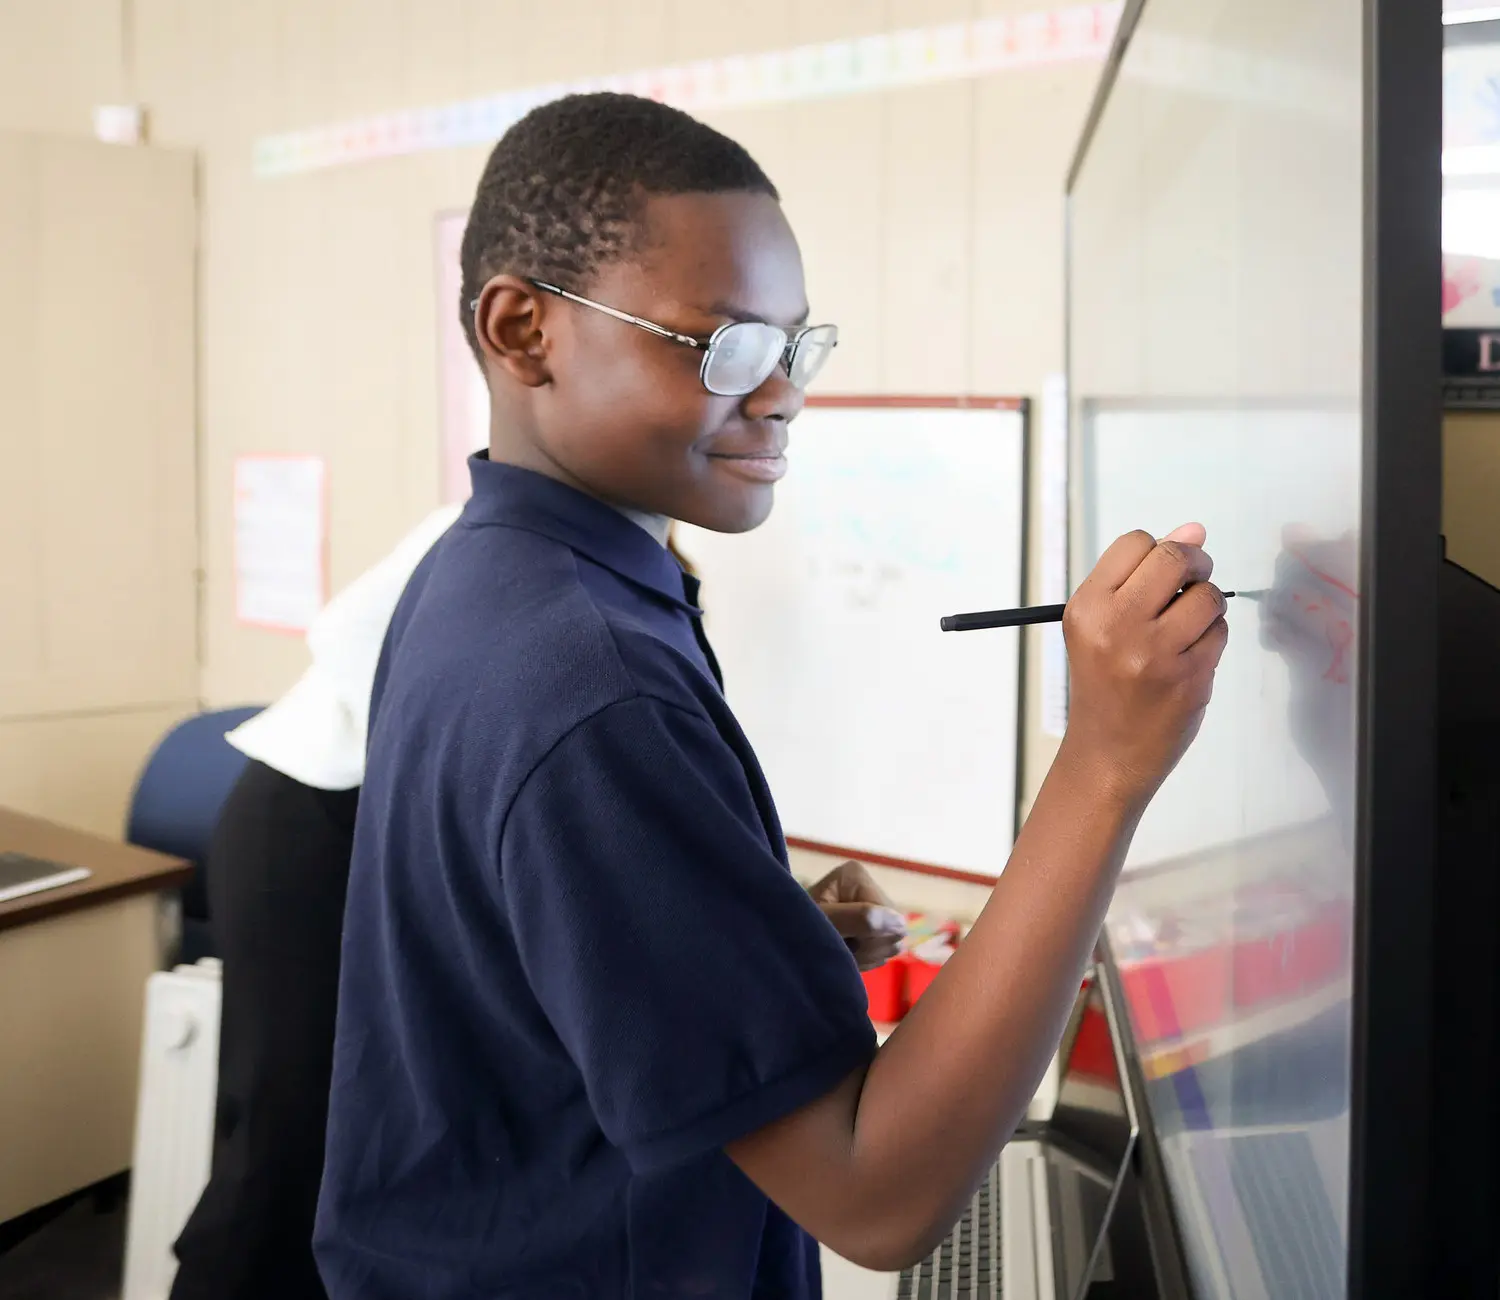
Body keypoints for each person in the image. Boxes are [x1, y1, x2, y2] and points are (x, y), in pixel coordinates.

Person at [314, 93, 1227, 1299]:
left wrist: (743, 940)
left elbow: (538, 957)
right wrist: (1105, 763)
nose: (785, 393)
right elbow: (878, 1195)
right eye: (724, 347)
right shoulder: (590, 685)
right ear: (524, 329)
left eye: (798, 347)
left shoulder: (491, 573)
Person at [168, 508, 898, 1300]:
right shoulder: (550, 595)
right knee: (282, 1141)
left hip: (406, 809)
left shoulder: (616, 567)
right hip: (318, 810)